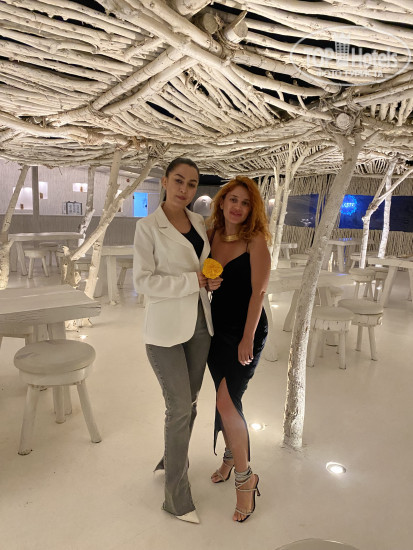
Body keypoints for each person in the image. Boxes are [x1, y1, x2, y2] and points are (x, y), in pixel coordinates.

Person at [133, 157, 221, 524]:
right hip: (164, 330)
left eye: (192, 183)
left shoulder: (199, 222)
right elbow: (143, 282)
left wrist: (210, 282)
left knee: (192, 402)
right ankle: (176, 497)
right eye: (179, 181)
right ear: (165, 182)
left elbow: (202, 267)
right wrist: (191, 281)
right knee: (180, 407)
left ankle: (171, 459)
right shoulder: (147, 227)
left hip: (200, 324)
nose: (185, 189)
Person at [206, 175, 271, 523]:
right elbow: (204, 277)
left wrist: (248, 337)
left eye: (245, 203)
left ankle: (246, 480)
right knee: (227, 399)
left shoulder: (254, 239)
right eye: (233, 199)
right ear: (222, 201)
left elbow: (258, 293)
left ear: (252, 209)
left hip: (246, 331)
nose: (238, 207)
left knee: (226, 401)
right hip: (216, 331)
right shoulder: (212, 234)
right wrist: (207, 282)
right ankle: (231, 457)